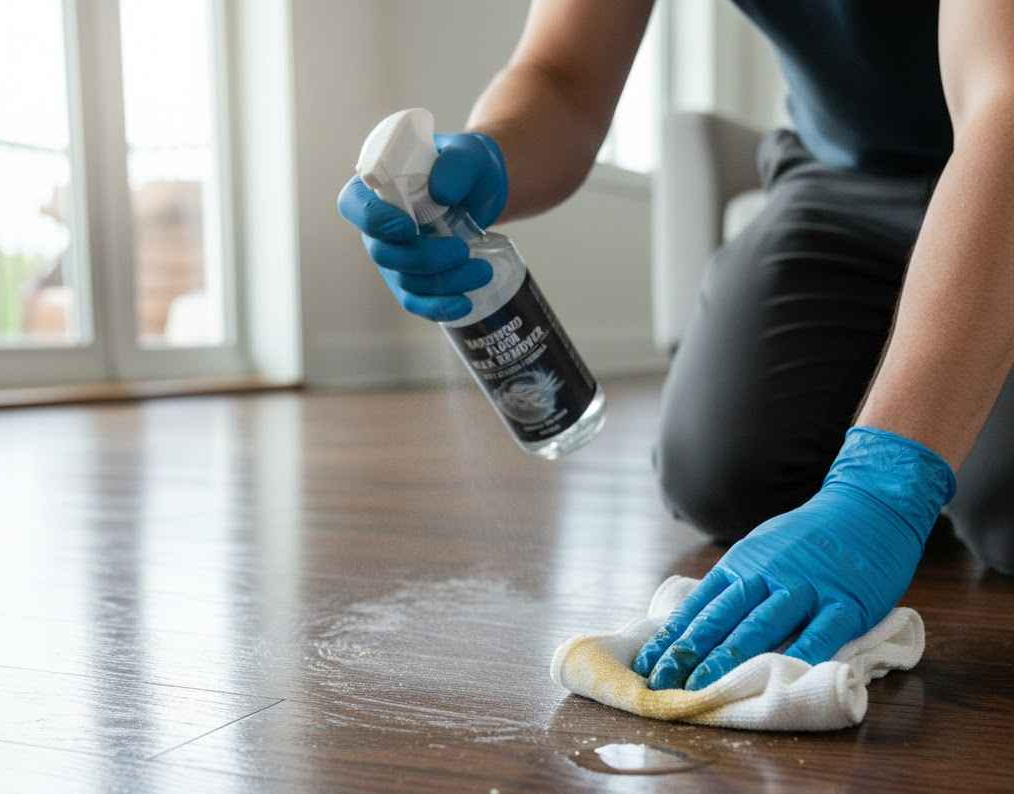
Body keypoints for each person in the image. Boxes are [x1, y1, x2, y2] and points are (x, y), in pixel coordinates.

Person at [339, 0, 1014, 692]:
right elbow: (563, 75)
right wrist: (490, 155)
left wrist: (885, 486)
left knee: (1005, 512)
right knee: (723, 474)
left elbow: (1004, 101)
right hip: (842, 181)